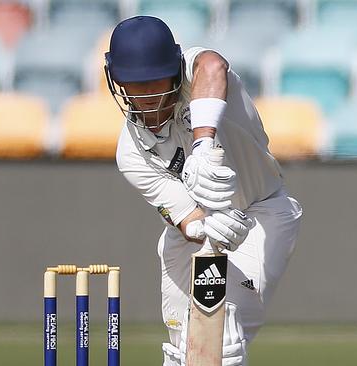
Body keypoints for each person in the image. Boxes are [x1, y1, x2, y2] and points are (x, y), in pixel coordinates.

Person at [105, 16, 303, 366]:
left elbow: (213, 64)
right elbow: (186, 218)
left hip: (263, 213)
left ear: (175, 70)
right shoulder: (131, 152)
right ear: (118, 82)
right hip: (193, 236)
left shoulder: (201, 75)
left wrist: (203, 146)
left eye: (155, 81)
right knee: (182, 346)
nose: (147, 95)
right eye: (135, 85)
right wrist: (203, 227)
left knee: (224, 339)